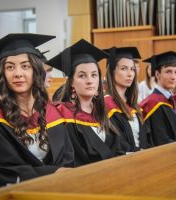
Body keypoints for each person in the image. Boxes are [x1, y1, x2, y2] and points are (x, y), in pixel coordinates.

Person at [0, 33, 74, 194]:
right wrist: (53, 174)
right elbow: (5, 169)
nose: (18, 73)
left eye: (25, 66)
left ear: (36, 70)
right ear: (2, 74)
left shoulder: (50, 112)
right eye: (10, 67)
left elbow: (66, 158)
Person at [46, 39, 126, 167]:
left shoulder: (103, 112)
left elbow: (119, 149)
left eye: (94, 75)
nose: (90, 81)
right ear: (71, 82)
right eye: (82, 76)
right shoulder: (63, 115)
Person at [139, 51, 176, 146]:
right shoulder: (152, 104)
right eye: (168, 72)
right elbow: (161, 140)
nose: (173, 77)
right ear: (157, 74)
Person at [103, 47, 151, 151]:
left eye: (132, 69)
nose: (130, 74)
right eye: (123, 68)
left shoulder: (133, 105)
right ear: (111, 71)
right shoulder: (106, 105)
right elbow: (113, 145)